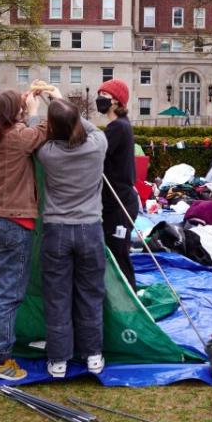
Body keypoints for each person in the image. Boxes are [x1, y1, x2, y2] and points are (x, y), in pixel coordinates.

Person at [0, 87, 51, 381]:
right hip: (14, 224)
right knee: (8, 294)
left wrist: (18, 103)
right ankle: (1, 359)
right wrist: (31, 111)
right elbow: (45, 129)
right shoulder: (17, 137)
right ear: (11, 113)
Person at [36, 96, 108, 379]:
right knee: (90, 294)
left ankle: (58, 360)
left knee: (57, 297)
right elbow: (91, 130)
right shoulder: (97, 145)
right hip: (90, 229)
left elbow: (35, 130)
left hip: (56, 232)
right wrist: (61, 101)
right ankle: (92, 355)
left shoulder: (47, 152)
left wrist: (48, 108)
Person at [96, 79, 139, 291]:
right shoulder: (116, 127)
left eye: (104, 95)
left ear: (116, 101)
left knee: (119, 254)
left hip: (120, 204)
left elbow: (95, 152)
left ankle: (129, 302)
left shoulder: (118, 128)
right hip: (113, 202)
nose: (100, 99)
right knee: (112, 253)